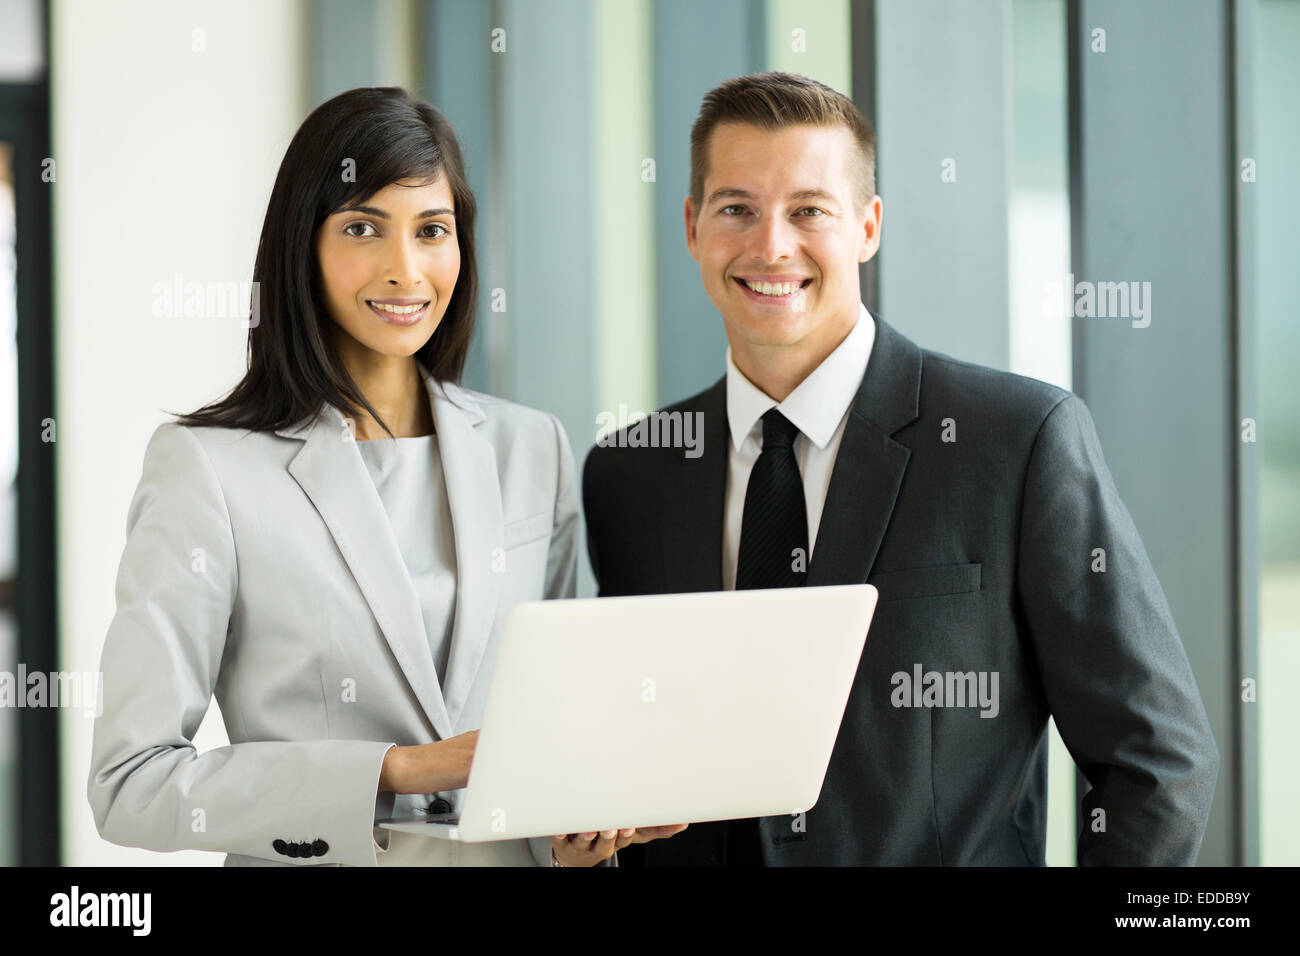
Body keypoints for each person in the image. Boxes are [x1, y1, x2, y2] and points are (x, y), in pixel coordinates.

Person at [582, 71, 1219, 866]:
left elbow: (1158, 763)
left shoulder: (1017, 441)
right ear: (692, 225)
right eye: (736, 209)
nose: (770, 245)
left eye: (809, 210)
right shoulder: (629, 474)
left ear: (868, 227)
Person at [87, 86, 681, 867]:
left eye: (432, 230)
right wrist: (392, 772)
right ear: (304, 246)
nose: (405, 269)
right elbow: (131, 785)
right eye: (363, 227)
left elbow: (548, 736)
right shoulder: (207, 467)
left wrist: (578, 842)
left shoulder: (532, 448)